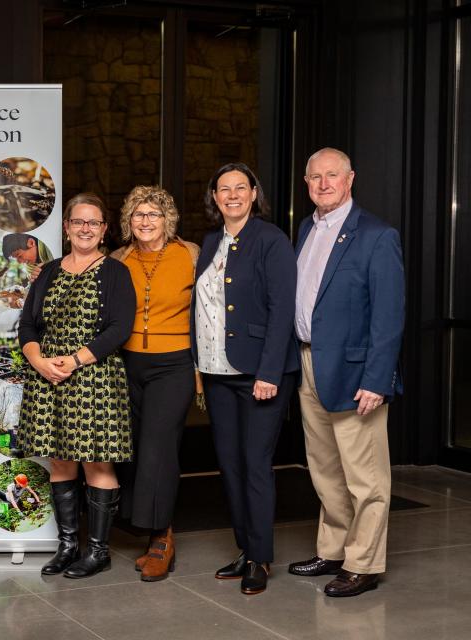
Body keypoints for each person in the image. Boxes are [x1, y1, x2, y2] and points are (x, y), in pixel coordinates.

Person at [287, 148, 405, 597]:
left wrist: (378, 379)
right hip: (309, 363)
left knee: (366, 475)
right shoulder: (307, 228)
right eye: (315, 177)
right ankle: (333, 549)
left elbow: (389, 318)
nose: (323, 183)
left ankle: (364, 563)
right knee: (324, 469)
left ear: (350, 178)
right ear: (306, 181)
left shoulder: (377, 235)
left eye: (332, 175)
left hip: (357, 374)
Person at [17, 192, 136, 579]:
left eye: (93, 223)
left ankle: (98, 551)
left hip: (94, 378)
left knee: (96, 462)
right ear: (67, 228)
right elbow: (29, 325)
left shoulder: (116, 272)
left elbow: (120, 328)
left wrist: (74, 360)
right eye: (78, 222)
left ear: (104, 231)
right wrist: (38, 359)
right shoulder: (48, 271)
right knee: (60, 460)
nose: (85, 228)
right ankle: (68, 546)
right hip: (47, 378)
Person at [193, 163, 298, 595]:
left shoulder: (271, 240)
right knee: (231, 466)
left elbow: (282, 309)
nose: (232, 195)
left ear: (254, 193)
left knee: (256, 465)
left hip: (259, 373)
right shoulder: (210, 241)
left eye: (241, 187)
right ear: (214, 197)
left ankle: (261, 557)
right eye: (224, 189)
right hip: (217, 371)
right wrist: (198, 366)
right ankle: (244, 547)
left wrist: (270, 371)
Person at [109, 185, 200, 582]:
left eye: (154, 215)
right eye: (138, 215)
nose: (146, 222)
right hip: (126, 364)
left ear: (168, 220)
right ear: (129, 222)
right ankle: (146, 525)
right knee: (130, 448)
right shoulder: (117, 259)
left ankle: (162, 538)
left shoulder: (191, 255)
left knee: (158, 448)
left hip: (173, 365)